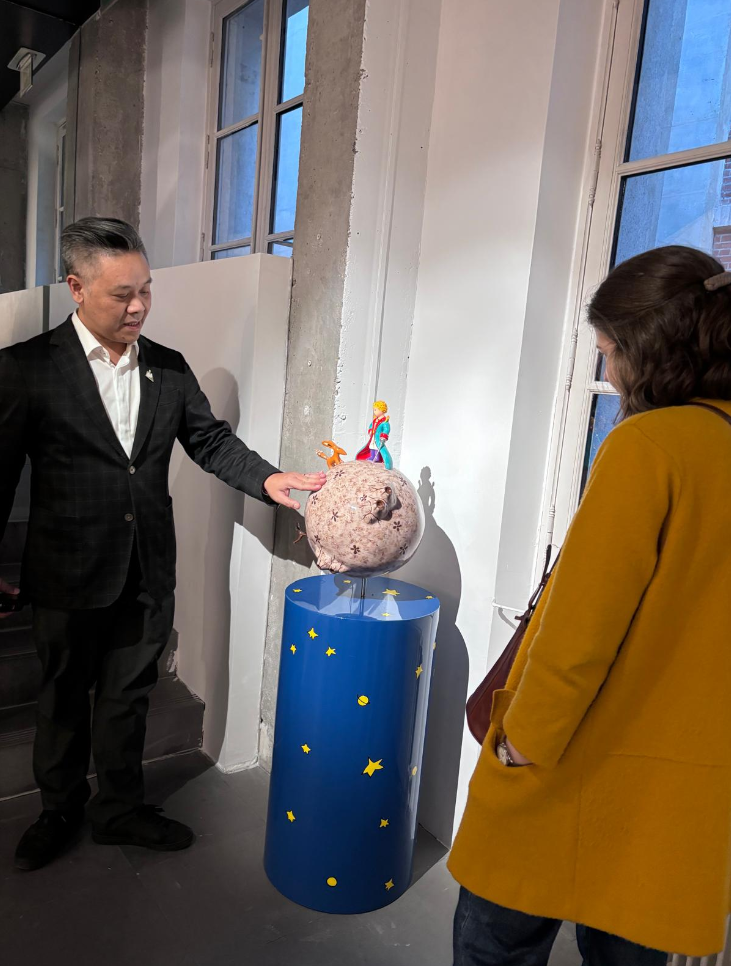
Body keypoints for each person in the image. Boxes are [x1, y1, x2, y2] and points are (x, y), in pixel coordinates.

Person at [0, 217, 326, 871]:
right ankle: (59, 808)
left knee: (128, 696)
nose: (139, 306)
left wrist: (268, 477)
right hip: (65, 571)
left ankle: (118, 809)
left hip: (147, 570)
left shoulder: (168, 371)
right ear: (76, 287)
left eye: (145, 289)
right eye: (123, 294)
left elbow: (210, 442)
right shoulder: (26, 368)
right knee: (64, 696)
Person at [449, 245, 731, 965]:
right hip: (678, 792)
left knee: (495, 943)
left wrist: (520, 742)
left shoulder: (651, 446)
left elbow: (580, 632)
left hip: (575, 768)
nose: (607, 372)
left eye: (609, 351)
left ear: (650, 348)